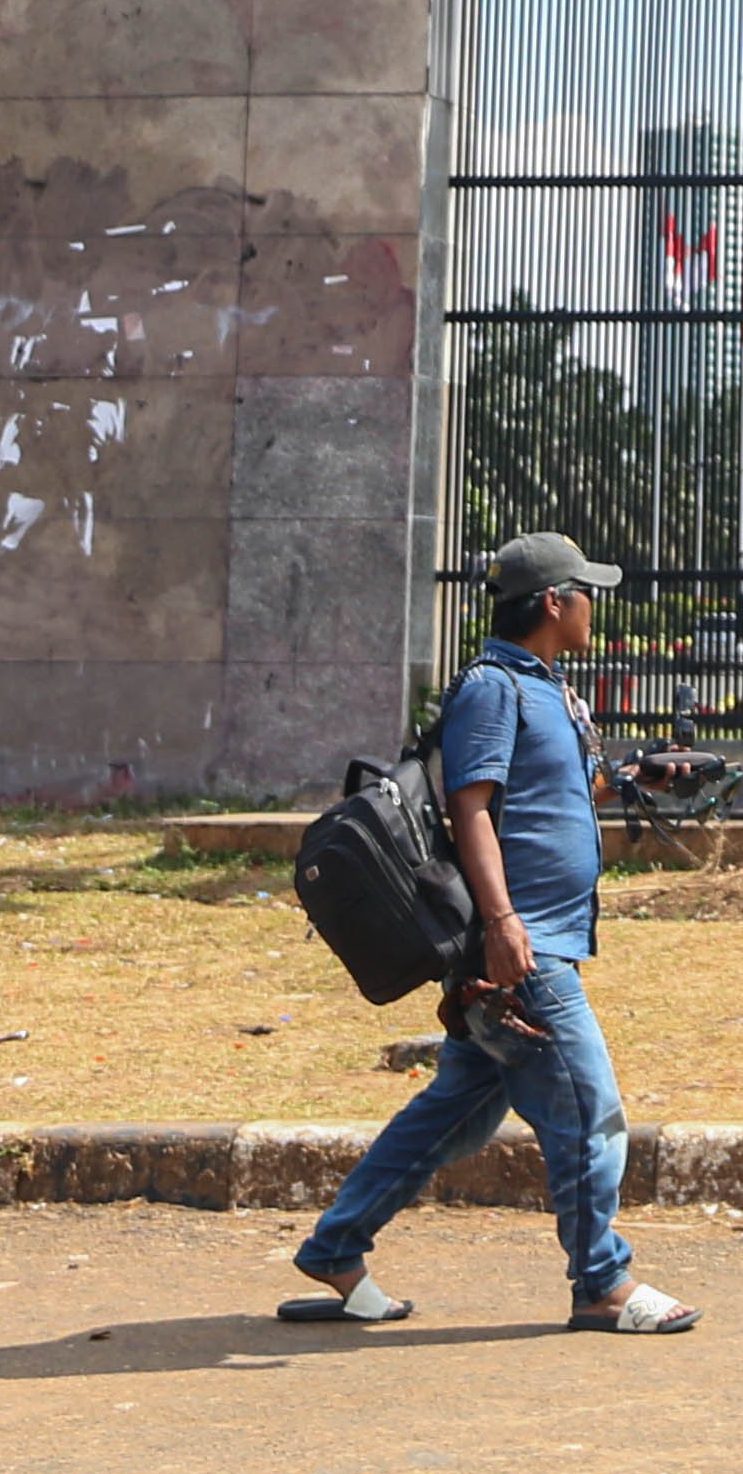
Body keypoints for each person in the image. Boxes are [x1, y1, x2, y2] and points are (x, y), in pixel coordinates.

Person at [284, 532, 698, 1335]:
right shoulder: (493, 689)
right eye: (585, 592)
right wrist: (505, 926)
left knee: (455, 1113)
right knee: (590, 1109)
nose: (592, 608)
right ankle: (602, 1285)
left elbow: (552, 802)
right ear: (552, 602)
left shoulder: (545, 687)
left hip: (535, 938)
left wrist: (633, 779)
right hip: (523, 946)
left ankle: (337, 1245)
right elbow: (468, 807)